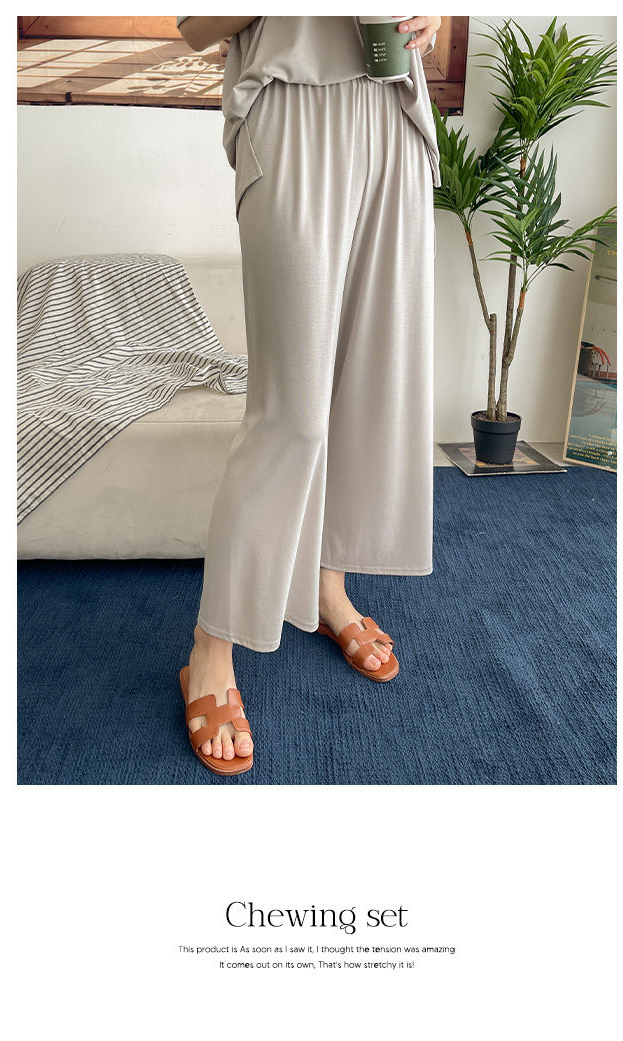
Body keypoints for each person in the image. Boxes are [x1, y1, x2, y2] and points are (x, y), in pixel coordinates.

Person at [176, 15, 442, 775]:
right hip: (290, 108)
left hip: (393, 106)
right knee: (290, 413)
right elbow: (195, 28)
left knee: (371, 385)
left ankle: (329, 585)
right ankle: (211, 647)